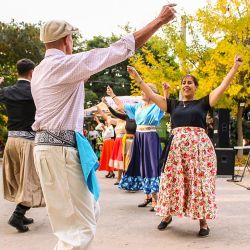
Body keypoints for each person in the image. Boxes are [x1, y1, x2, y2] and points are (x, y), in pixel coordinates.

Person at [31, 5, 176, 249]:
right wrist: (159, 21)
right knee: (79, 229)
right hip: (60, 152)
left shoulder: (41, 70)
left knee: (80, 218)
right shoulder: (63, 66)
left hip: (50, 149)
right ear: (68, 40)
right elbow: (117, 50)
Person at [126, 55, 243, 237]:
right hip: (176, 152)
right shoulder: (173, 104)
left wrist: (234, 68)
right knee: (172, 182)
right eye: (184, 82)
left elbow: (222, 87)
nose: (186, 85)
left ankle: (203, 223)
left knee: (199, 184)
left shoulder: (203, 103)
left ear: (196, 87)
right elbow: (150, 94)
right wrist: (137, 77)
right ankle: (167, 216)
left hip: (199, 151)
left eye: (190, 82)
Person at [1, 59, 44, 233]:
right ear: (32, 73)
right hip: (28, 142)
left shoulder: (7, 91)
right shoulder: (36, 91)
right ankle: (18, 215)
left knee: (20, 178)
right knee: (32, 179)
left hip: (11, 142)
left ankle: (22, 212)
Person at [108, 82, 164, 211]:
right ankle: (147, 196)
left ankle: (156, 199)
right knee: (141, 165)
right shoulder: (138, 106)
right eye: (142, 90)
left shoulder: (156, 106)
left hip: (150, 137)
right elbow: (121, 106)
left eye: (144, 90)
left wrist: (165, 92)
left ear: (151, 93)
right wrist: (112, 95)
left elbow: (164, 102)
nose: (142, 92)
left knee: (151, 166)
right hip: (139, 137)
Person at [102, 92, 137, 172]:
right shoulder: (127, 117)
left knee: (133, 159)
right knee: (125, 160)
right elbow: (115, 113)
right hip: (126, 141)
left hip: (136, 140)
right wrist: (107, 104)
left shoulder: (140, 117)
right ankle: (125, 178)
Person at [98, 98, 127, 185]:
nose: (118, 113)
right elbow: (107, 117)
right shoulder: (117, 121)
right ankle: (118, 178)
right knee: (119, 160)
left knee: (124, 160)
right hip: (118, 141)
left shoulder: (127, 121)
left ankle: (125, 178)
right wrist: (100, 110)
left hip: (125, 141)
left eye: (120, 111)